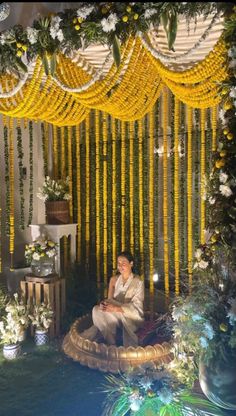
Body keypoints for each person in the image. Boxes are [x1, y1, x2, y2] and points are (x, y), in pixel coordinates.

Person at [81, 251, 144, 347]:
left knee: (102, 314)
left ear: (131, 264)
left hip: (130, 316)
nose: (120, 266)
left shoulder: (138, 282)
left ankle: (114, 342)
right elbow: (109, 300)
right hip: (114, 314)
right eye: (118, 263)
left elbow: (137, 307)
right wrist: (104, 304)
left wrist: (116, 308)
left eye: (123, 263)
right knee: (96, 310)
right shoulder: (114, 280)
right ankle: (111, 342)